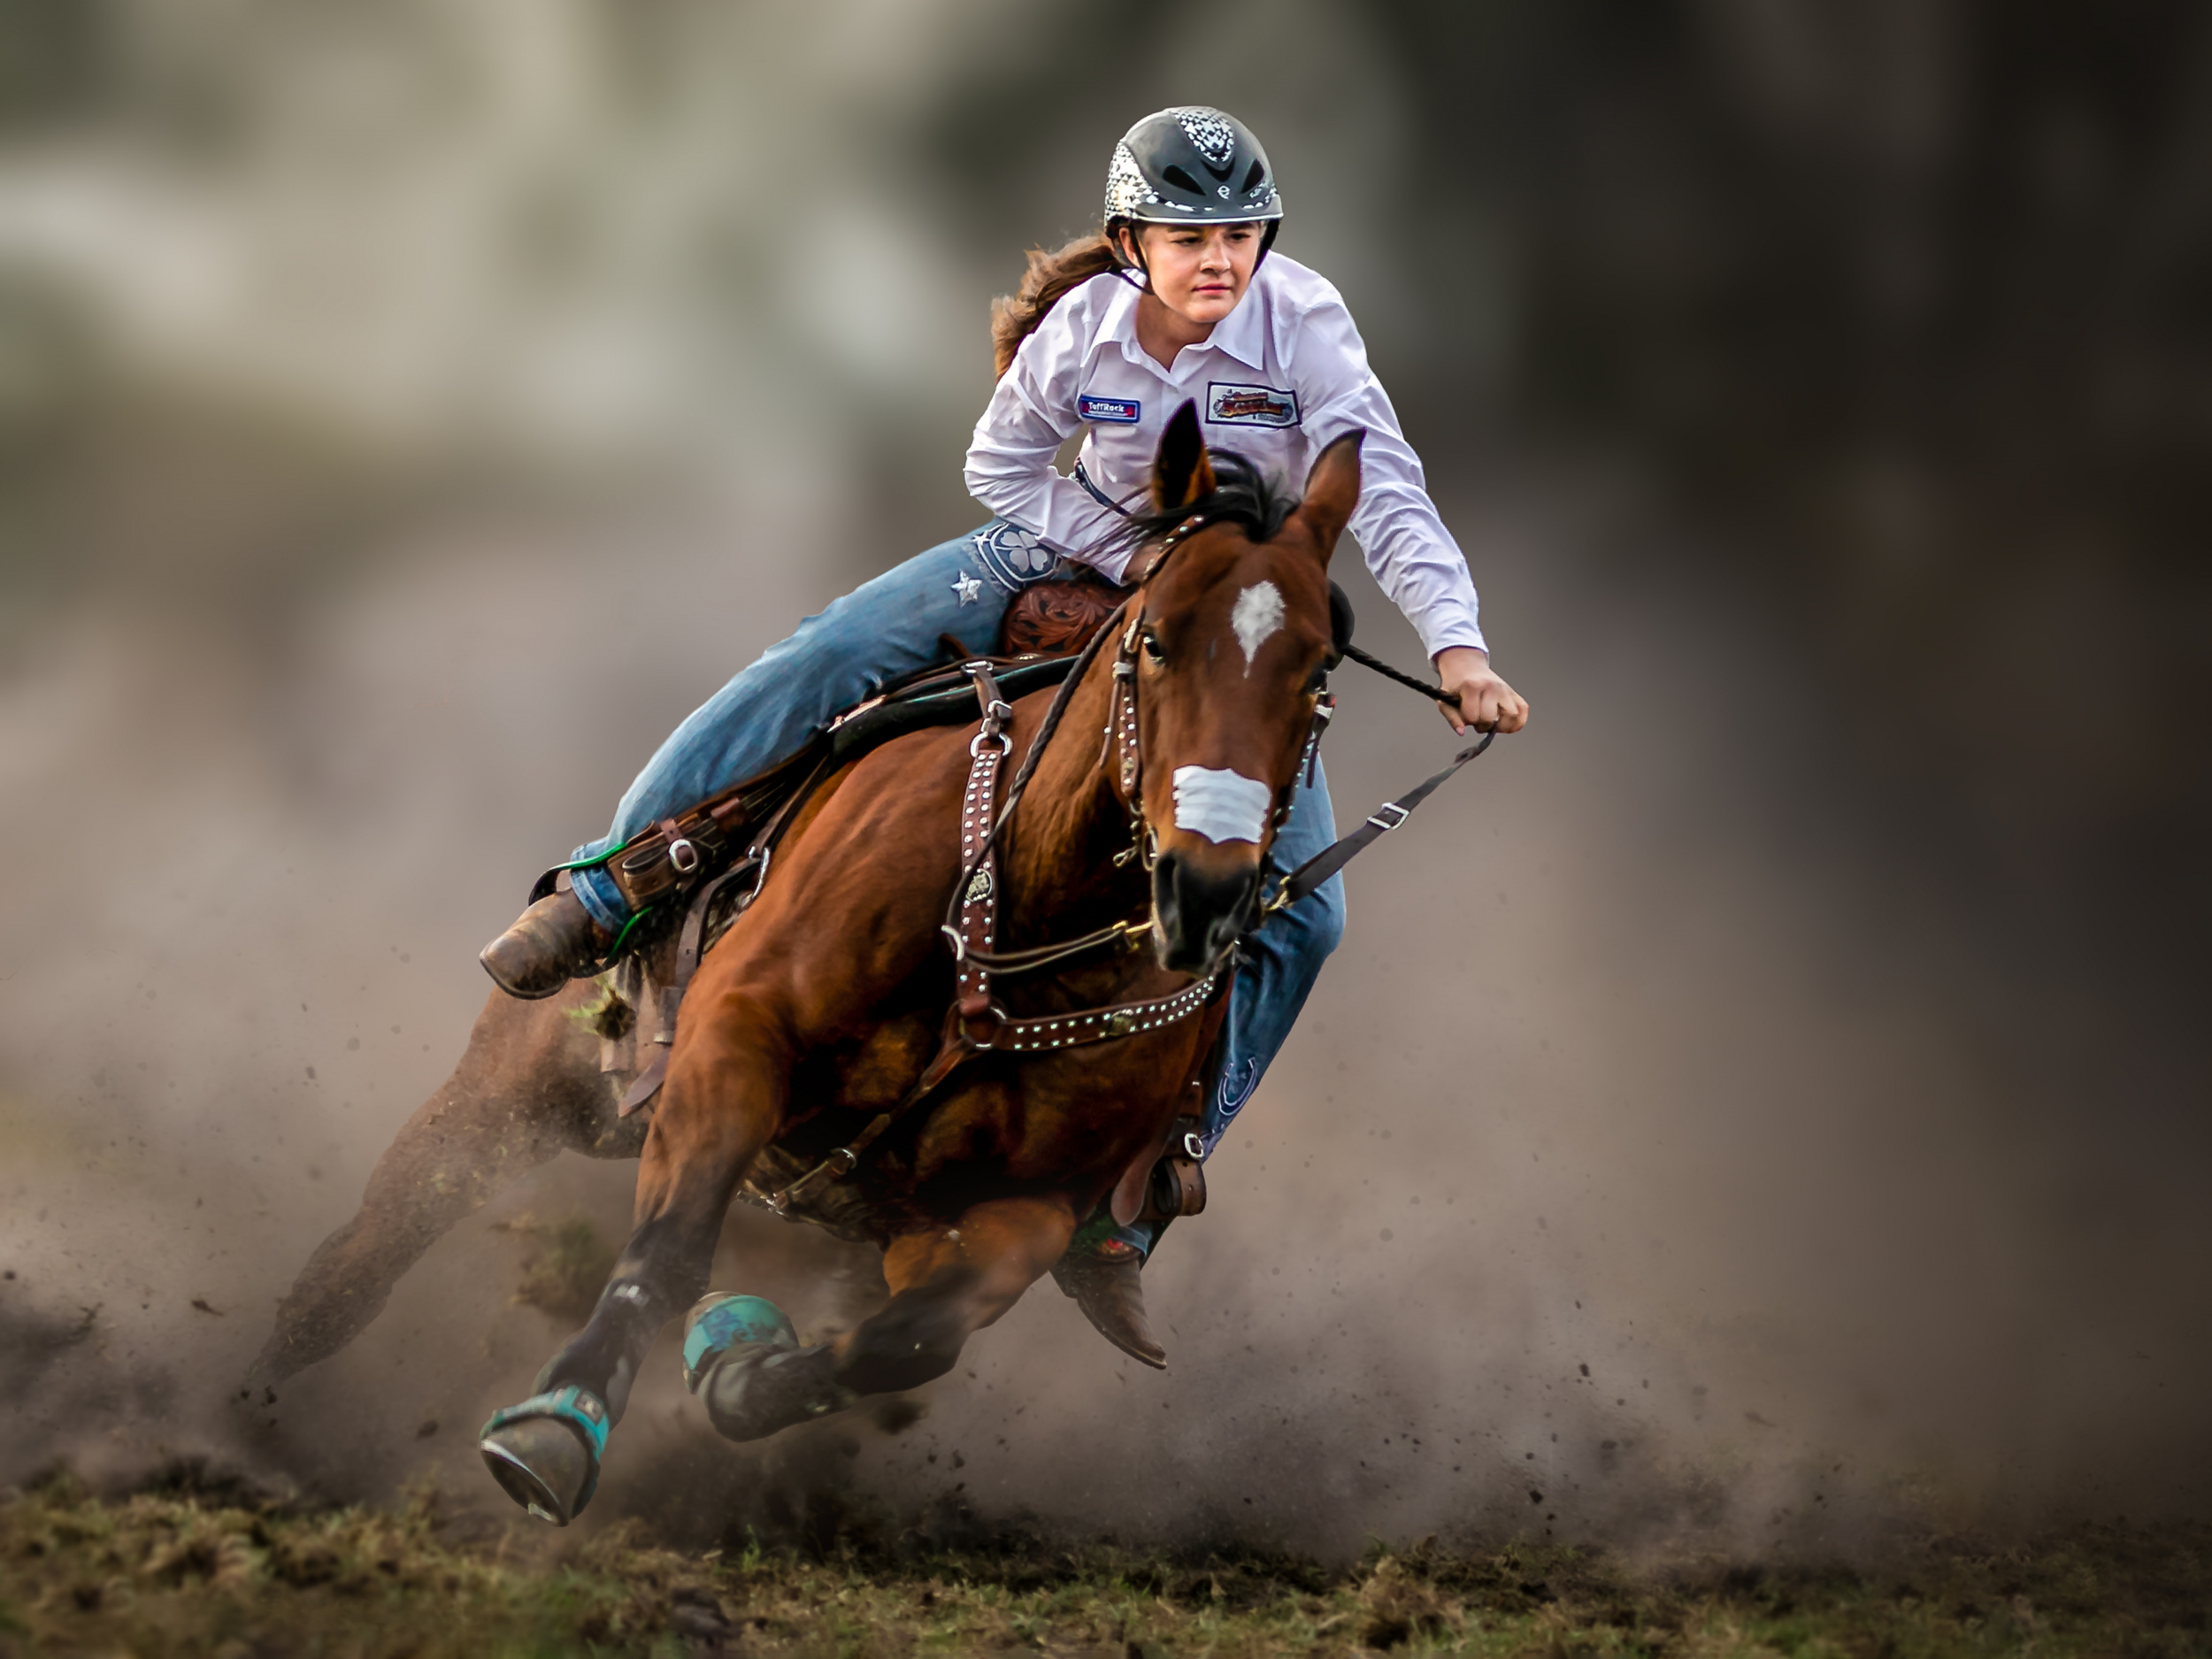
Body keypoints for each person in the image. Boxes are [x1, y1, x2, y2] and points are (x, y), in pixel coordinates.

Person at [478, 106, 1529, 1365]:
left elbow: (1388, 489)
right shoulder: (1082, 331)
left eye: (1241, 234)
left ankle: (1132, 1198)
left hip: (1227, 618)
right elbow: (1005, 465)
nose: (1220, 259)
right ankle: (611, 888)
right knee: (820, 659)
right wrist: (1133, 560)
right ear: (1131, 242)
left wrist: (1458, 649)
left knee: (1309, 919)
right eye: (1189, 236)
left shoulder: (1306, 324)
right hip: (1065, 551)